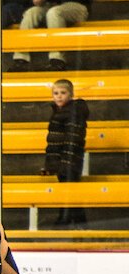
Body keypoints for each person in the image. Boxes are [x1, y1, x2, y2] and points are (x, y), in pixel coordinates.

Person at [44, 79, 90, 227]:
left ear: (70, 94)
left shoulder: (73, 112)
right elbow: (55, 142)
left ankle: (66, 218)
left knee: (69, 190)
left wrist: (66, 163)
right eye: (56, 93)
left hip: (69, 160)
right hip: (61, 161)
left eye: (63, 93)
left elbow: (72, 140)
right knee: (67, 189)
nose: (59, 96)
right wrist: (51, 164)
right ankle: (77, 220)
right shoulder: (59, 112)